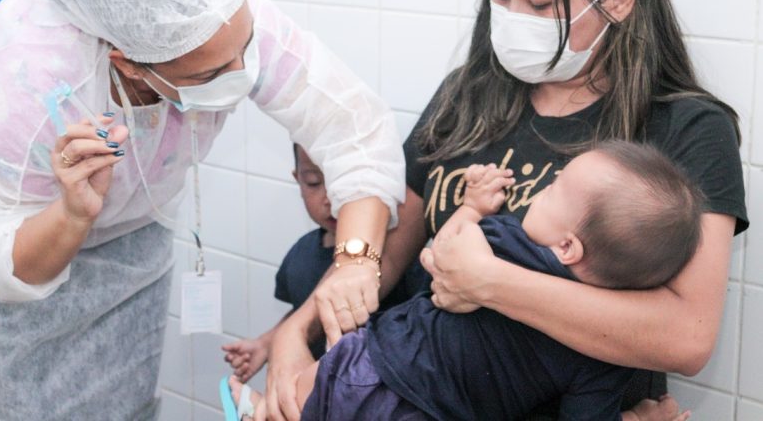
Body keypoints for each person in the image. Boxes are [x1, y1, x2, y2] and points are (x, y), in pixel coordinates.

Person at [264, 0, 748, 421]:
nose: (513, 18)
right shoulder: (469, 95)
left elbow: (687, 336)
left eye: (538, 4)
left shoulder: (685, 127)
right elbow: (390, 250)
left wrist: (492, 283)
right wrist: (294, 333)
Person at [0, 0, 405, 420]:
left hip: (134, 225)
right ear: (128, 64)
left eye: (245, 51)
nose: (242, 74)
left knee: (129, 397)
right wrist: (72, 214)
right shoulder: (22, 87)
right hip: (25, 242)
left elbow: (352, 126)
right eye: (211, 73)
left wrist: (356, 260)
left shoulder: (222, 20)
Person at [228, 141, 699, 420]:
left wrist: (472, 209)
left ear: (568, 247)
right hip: (438, 412)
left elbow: (438, 258)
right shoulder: (607, 353)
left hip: (378, 362)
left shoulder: (506, 242)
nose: (540, 191)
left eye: (553, 192)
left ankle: (260, 412)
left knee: (313, 391)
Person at [223, 145, 426, 381]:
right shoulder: (300, 253)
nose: (331, 197)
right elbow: (301, 310)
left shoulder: (397, 261)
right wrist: (267, 343)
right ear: (298, 180)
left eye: (346, 182)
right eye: (314, 182)